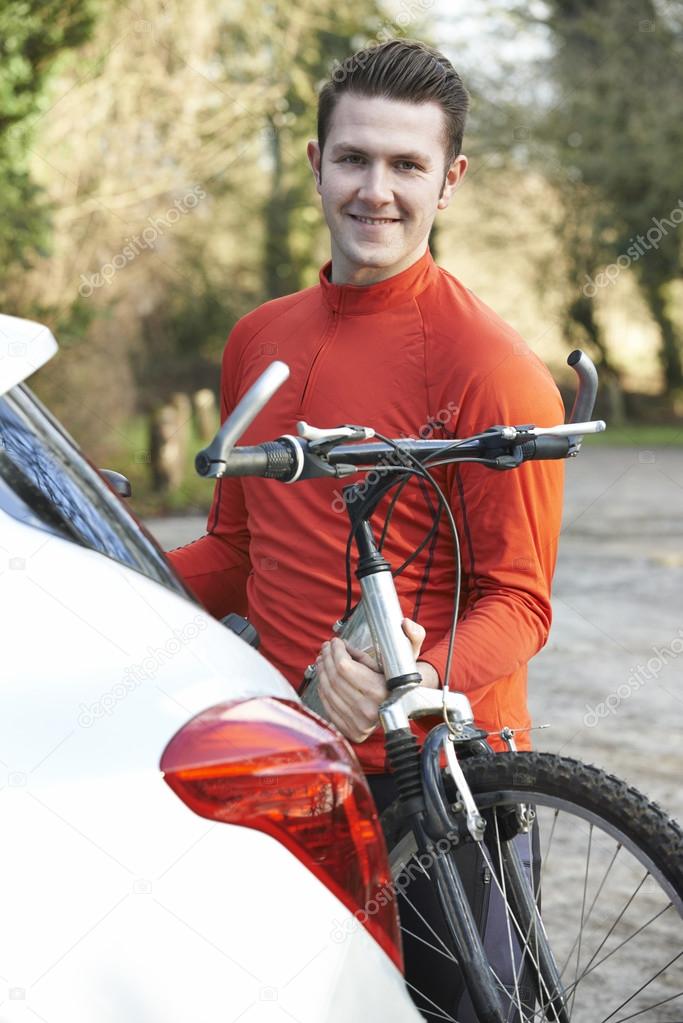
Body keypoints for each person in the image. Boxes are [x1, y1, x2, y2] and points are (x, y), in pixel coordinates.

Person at [167, 38, 564, 1018]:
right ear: (314, 162)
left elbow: (520, 605)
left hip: (442, 786)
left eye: (405, 165)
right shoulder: (258, 339)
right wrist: (90, 567)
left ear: (449, 179)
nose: (375, 191)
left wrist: (414, 681)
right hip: (294, 769)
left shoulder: (489, 368)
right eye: (353, 159)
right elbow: (238, 550)